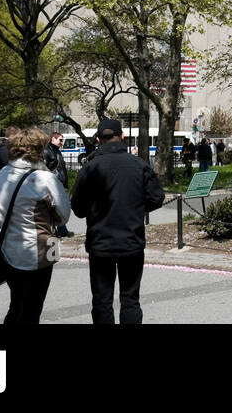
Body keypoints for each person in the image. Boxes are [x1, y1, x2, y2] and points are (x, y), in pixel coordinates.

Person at [70, 118, 165, 324]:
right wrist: (136, 206)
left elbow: (78, 208)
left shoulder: (90, 167)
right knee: (130, 299)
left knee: (102, 301)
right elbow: (156, 198)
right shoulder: (139, 164)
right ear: (122, 137)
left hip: (100, 242)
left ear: (98, 140)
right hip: (130, 240)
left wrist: (95, 209)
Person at [0, 128, 71, 323]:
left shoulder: (3, 173)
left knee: (16, 303)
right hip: (39, 250)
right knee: (32, 308)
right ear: (39, 151)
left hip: (8, 247)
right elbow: (63, 215)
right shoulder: (45, 178)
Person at [44, 132, 73, 238]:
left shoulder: (56, 151)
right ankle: (60, 230)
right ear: (52, 139)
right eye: (60, 140)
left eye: (62, 140)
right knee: (54, 208)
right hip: (52, 185)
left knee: (59, 208)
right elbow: (44, 168)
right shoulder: (47, 151)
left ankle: (61, 230)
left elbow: (61, 168)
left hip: (58, 184)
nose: (62, 142)